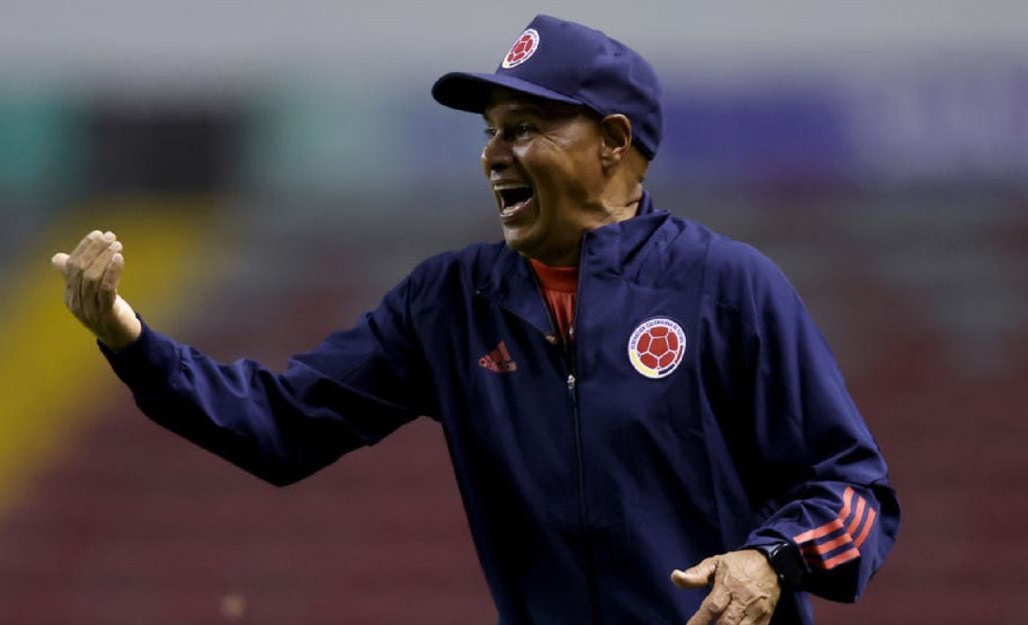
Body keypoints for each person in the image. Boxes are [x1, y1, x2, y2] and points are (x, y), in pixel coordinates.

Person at [51, 15, 899, 625]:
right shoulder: (450, 302)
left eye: (523, 129)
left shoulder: (727, 287)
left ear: (613, 141)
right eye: (491, 132)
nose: (493, 154)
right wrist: (128, 336)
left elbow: (854, 491)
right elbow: (281, 424)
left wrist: (769, 559)